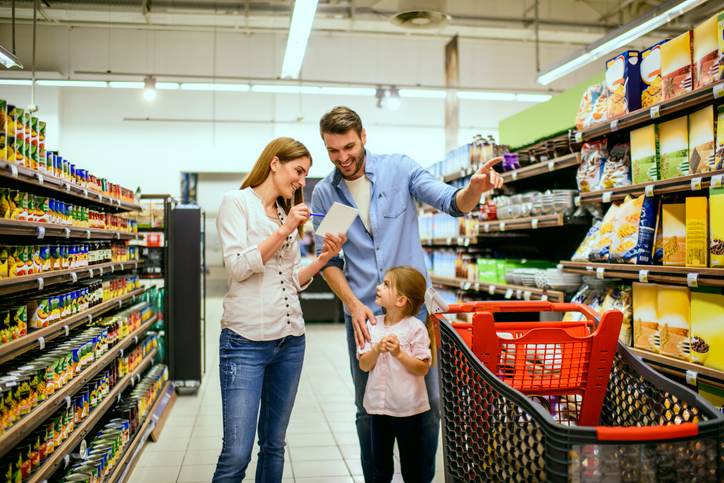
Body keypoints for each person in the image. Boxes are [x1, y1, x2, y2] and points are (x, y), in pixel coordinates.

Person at [311, 106, 503, 482]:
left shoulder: (399, 171)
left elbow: (452, 202)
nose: (343, 158)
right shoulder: (327, 194)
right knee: (368, 408)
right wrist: (352, 305)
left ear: (363, 136)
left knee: (428, 403)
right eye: (333, 151)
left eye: (348, 146)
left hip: (416, 312)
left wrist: (474, 189)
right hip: (366, 315)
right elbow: (329, 261)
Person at [213, 137, 346, 483]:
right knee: (236, 454)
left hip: (290, 342)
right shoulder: (237, 203)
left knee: (274, 444)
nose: (302, 181)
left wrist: (325, 258)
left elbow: (292, 280)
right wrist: (284, 230)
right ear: (274, 163)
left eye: (305, 175)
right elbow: (238, 267)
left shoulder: (286, 214)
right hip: (245, 342)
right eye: (298, 171)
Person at [358, 266, 433, 483]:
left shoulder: (415, 328)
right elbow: (364, 365)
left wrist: (399, 353)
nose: (378, 287)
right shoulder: (372, 326)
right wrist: (376, 349)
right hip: (378, 410)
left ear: (401, 300)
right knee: (380, 466)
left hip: (408, 410)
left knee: (411, 466)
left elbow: (422, 367)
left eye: (386, 284)